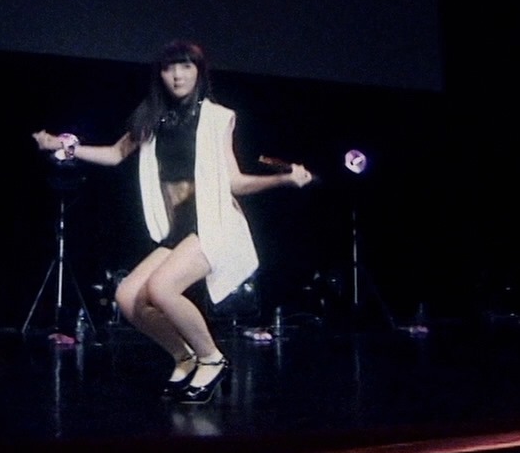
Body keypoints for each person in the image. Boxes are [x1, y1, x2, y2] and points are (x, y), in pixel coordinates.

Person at [33, 41, 312, 403]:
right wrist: (63, 146)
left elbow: (234, 182)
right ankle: (185, 356)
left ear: (199, 72)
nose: (178, 75)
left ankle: (212, 359)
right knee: (128, 297)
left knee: (162, 288)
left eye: (186, 67)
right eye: (169, 68)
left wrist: (284, 179)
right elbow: (116, 154)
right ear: (160, 75)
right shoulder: (152, 118)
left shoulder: (217, 118)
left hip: (213, 223)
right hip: (177, 228)